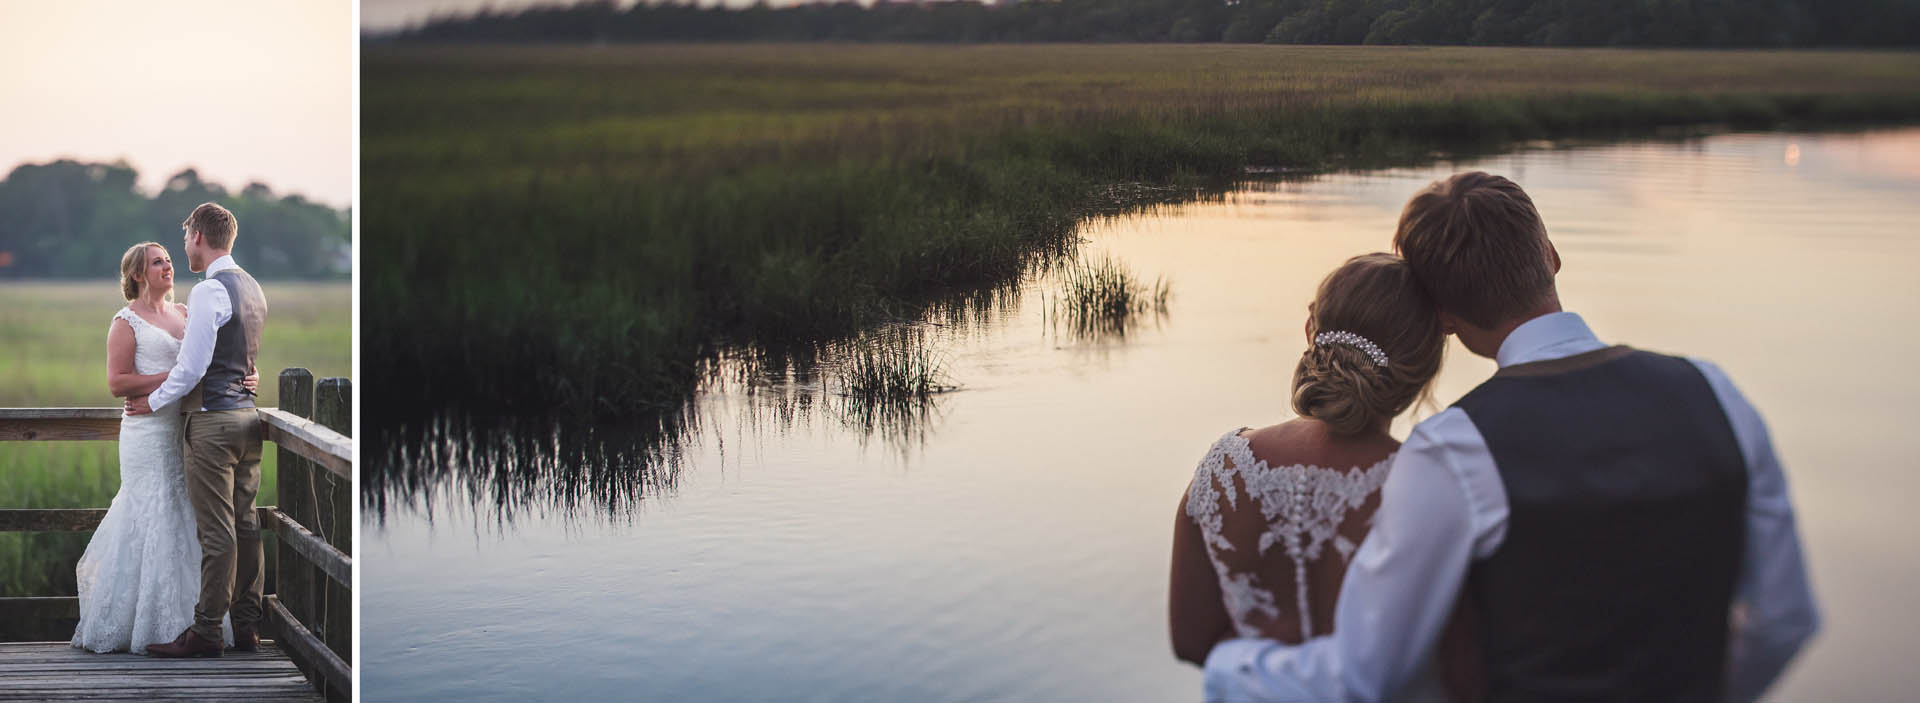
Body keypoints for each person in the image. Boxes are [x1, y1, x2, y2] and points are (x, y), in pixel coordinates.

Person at [1202, 172, 1820, 702]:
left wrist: (1232, 669)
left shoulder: (1454, 450)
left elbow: (1367, 673)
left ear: (1442, 315)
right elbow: (1784, 621)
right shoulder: (1715, 394)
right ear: (1550, 255)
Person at [1170, 253, 1473, 701]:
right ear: (1427, 366)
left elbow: (1192, 642)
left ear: (1311, 331)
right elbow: (1463, 668)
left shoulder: (1224, 467)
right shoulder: (1425, 488)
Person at [71, 242, 252, 654]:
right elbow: (117, 383)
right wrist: (173, 376)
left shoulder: (186, 313)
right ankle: (135, 622)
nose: (168, 266)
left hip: (183, 428)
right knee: (148, 510)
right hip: (146, 431)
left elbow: (209, 362)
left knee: (186, 513)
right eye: (157, 262)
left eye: (169, 260)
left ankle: (192, 621)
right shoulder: (125, 321)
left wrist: (244, 379)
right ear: (138, 274)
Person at [130, 202, 272, 658]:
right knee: (246, 525)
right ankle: (247, 627)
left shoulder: (209, 290)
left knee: (217, 532)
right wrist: (251, 379)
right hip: (248, 420)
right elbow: (241, 356)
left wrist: (150, 402)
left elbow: (192, 369)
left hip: (212, 422)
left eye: (187, 233)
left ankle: (208, 631)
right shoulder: (252, 286)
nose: (184, 244)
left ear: (198, 236)